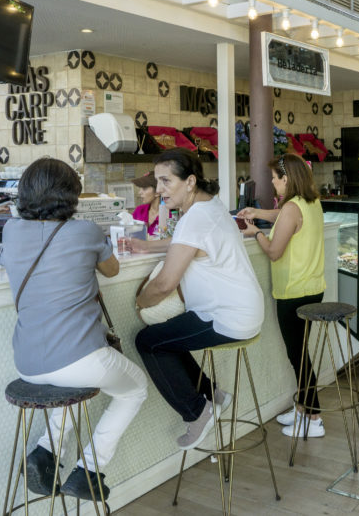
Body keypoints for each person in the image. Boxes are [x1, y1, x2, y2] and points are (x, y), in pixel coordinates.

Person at [0, 158, 148, 501]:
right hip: (81, 358)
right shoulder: (85, 231)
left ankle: (44, 453)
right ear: (71, 195)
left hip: (27, 363)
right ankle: (89, 470)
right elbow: (111, 270)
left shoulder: (10, 230)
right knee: (135, 389)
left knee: (69, 390)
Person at [134, 149, 264, 450]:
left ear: (190, 181)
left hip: (226, 317)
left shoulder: (195, 218)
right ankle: (213, 394)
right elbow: (186, 241)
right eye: (157, 182)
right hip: (244, 312)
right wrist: (147, 246)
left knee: (149, 341)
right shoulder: (211, 206)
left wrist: (142, 301)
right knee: (169, 336)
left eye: (166, 181)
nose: (159, 190)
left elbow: (165, 283)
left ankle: (197, 411)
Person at [239, 154, 326, 438]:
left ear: (286, 179)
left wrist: (255, 234)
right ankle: (303, 408)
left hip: (293, 292)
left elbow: (275, 252)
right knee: (301, 354)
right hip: (313, 287)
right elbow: (284, 216)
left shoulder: (291, 207)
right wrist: (258, 213)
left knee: (298, 356)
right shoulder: (309, 203)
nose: (274, 184)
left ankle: (313, 418)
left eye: (275, 179)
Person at [127, 171, 171, 254]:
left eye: (144, 189)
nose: (140, 193)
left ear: (158, 191)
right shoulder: (139, 210)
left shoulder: (171, 214)